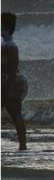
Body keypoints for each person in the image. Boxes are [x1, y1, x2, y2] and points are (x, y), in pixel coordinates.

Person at [1, 12, 27, 150]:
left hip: (12, 84)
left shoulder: (11, 46)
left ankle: (23, 145)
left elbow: (12, 69)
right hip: (5, 84)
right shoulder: (5, 43)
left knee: (16, 114)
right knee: (15, 115)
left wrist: (11, 89)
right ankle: (23, 145)